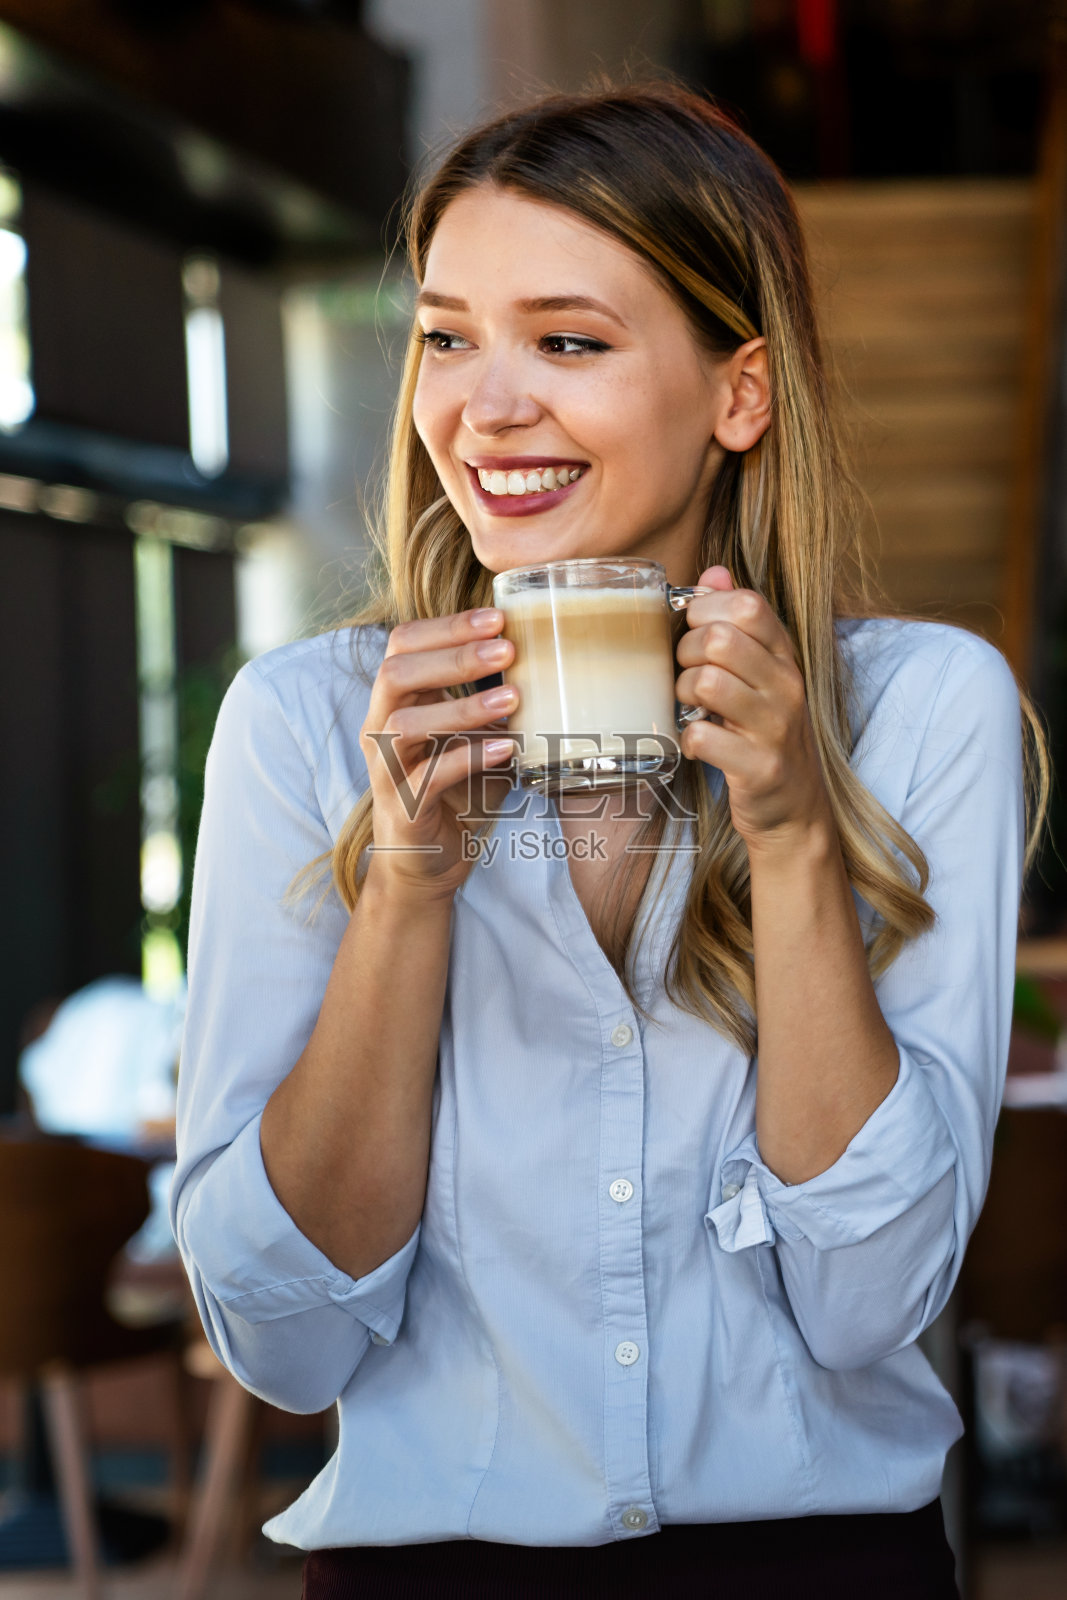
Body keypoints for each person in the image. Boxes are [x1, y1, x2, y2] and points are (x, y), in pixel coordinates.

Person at [171, 81, 1049, 1599]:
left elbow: (869, 1302)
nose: (484, 405)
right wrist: (407, 885)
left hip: (820, 1571)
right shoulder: (308, 725)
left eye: (567, 341)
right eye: (447, 336)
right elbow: (285, 1344)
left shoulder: (918, 712)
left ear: (740, 394)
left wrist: (786, 833)